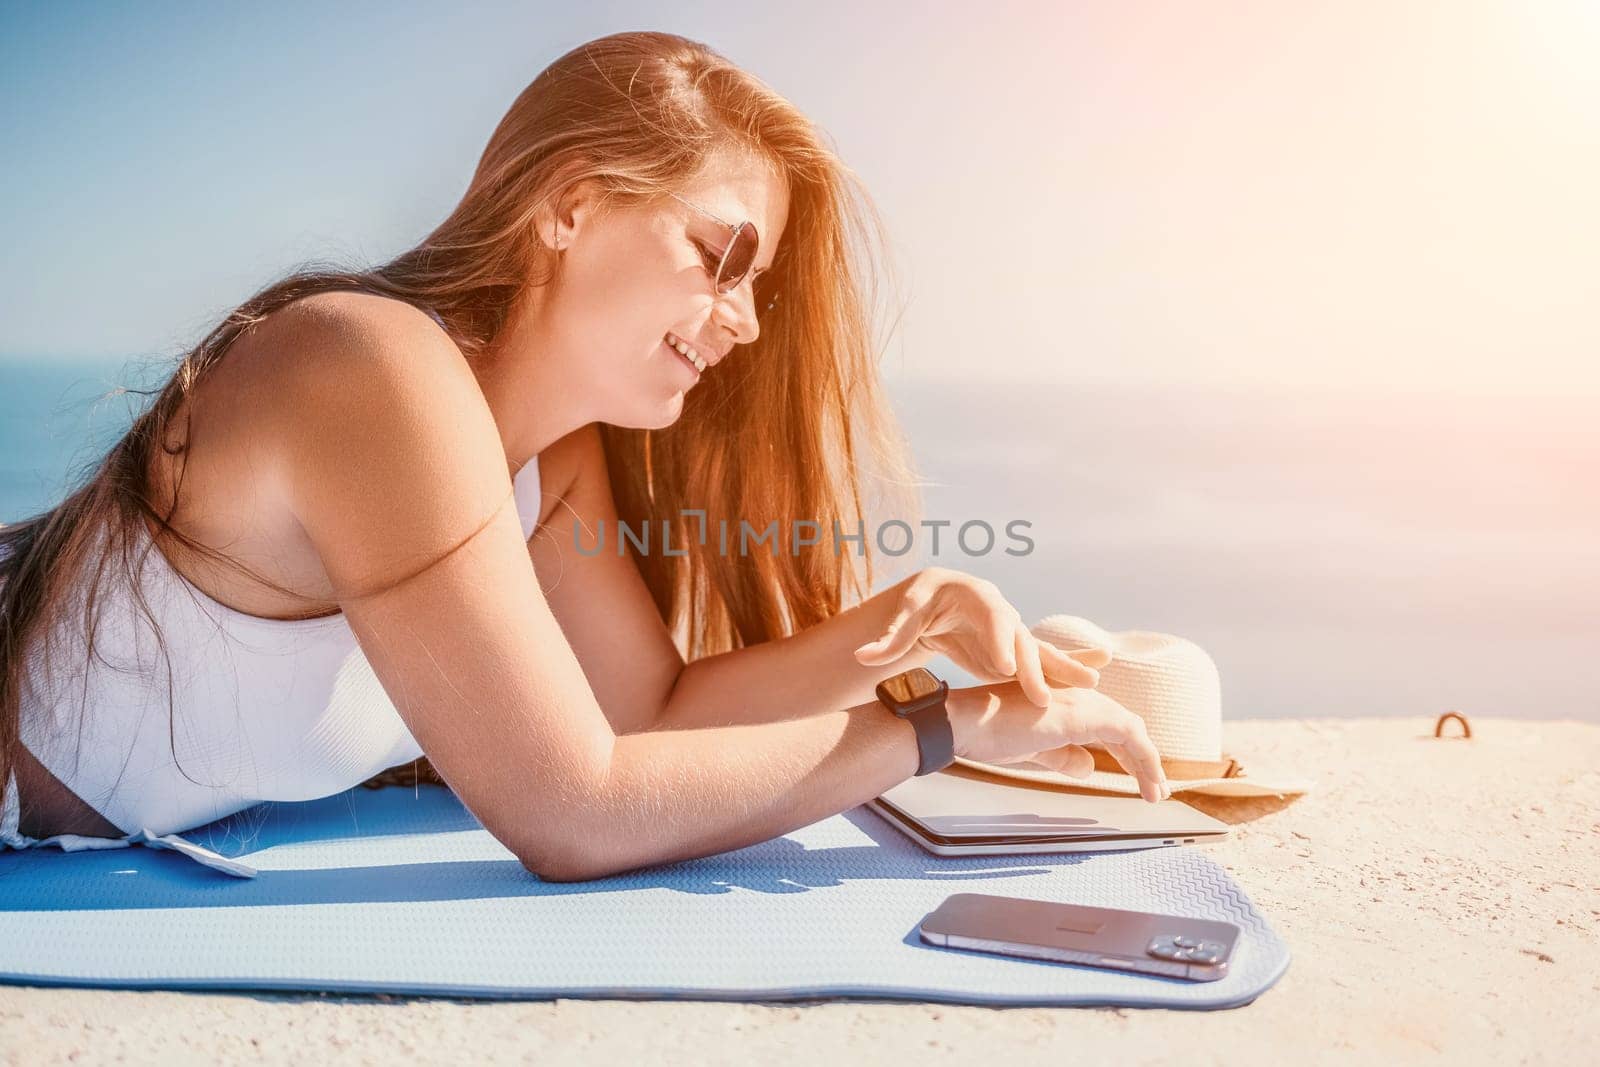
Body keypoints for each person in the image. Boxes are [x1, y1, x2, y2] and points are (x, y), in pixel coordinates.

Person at [0, 31, 1168, 882]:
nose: (747, 321)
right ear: (568, 206)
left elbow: (644, 716)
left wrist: (901, 629)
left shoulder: (547, 459)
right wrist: (937, 731)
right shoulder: (370, 367)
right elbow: (574, 810)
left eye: (756, 286)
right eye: (722, 257)